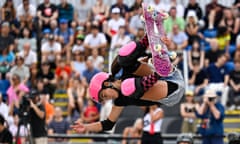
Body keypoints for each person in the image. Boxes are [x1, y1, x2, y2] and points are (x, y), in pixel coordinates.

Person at [72, 34, 184, 133]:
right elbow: (108, 124)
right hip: (172, 92)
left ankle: (148, 38)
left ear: (106, 84)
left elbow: (140, 60)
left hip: (172, 75)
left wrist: (157, 43)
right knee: (127, 88)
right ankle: (158, 71)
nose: (109, 98)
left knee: (124, 60)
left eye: (104, 95)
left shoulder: (120, 71)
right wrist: (86, 127)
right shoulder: (119, 101)